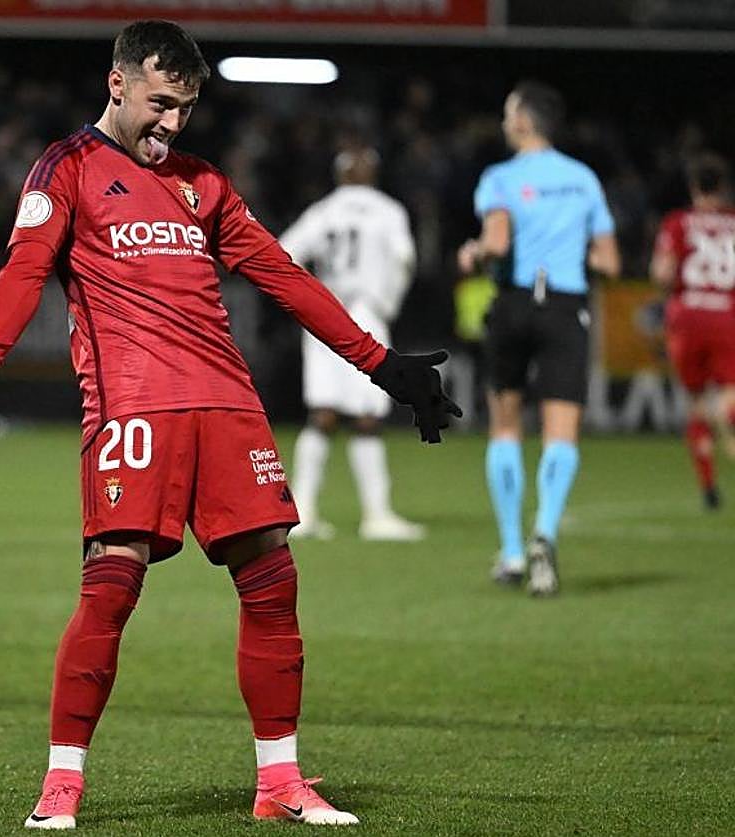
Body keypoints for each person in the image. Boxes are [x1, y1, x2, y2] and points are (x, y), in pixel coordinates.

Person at [0, 20, 459, 830]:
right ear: (118, 84)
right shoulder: (66, 168)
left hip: (228, 403)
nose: (171, 124)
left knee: (274, 581)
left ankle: (280, 781)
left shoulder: (203, 184)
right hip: (134, 405)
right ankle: (62, 784)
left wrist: (380, 366)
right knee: (113, 583)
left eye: (184, 109)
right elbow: (27, 266)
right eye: (160, 103)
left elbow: (282, 275)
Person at [458, 81, 620, 596]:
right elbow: (610, 263)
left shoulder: (501, 177)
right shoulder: (583, 179)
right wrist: (570, 253)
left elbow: (498, 241)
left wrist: (473, 253)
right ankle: (544, 533)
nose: (505, 122)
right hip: (566, 308)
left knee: (505, 426)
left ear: (524, 120)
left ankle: (509, 552)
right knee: (561, 432)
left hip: (514, 304)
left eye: (509, 113)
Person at [280, 146, 426, 541]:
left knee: (322, 413)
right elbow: (405, 257)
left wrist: (308, 298)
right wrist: (387, 303)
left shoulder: (323, 210)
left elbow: (283, 254)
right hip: (366, 315)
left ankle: (303, 513)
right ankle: (376, 515)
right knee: (367, 417)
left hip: (325, 314)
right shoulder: (387, 210)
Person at [650, 152, 735, 510]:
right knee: (730, 401)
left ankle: (708, 487)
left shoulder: (677, 223)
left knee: (697, 405)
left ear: (693, 187)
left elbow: (663, 274)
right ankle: (728, 422)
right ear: (725, 188)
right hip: (728, 318)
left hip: (686, 321)